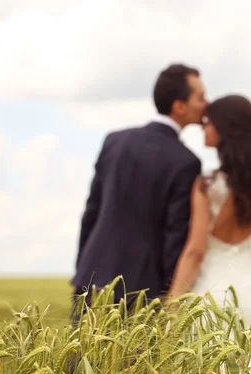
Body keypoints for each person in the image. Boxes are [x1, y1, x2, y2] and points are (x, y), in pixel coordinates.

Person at [70, 63, 207, 324]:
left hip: (91, 276)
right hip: (142, 288)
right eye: (200, 97)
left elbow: (91, 213)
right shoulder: (186, 162)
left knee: (81, 363)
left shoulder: (115, 141)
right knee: (134, 365)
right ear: (179, 106)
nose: (206, 103)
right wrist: (170, 296)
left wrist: (83, 270)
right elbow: (173, 236)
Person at [164, 94, 251, 331]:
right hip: (250, 295)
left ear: (225, 129)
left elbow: (195, 252)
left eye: (208, 122)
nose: (203, 127)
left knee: (205, 365)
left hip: (210, 295)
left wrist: (171, 306)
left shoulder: (206, 185)